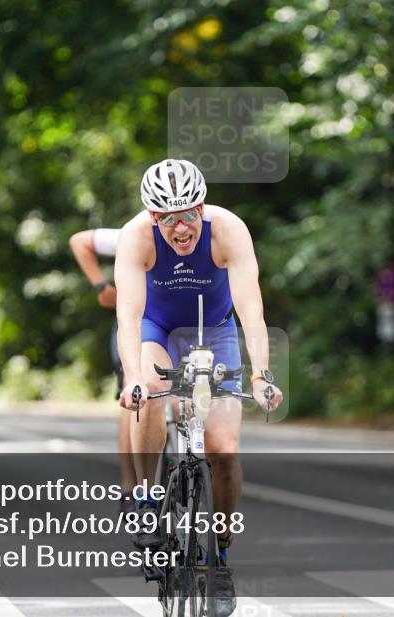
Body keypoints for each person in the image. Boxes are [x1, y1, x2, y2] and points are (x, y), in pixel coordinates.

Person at [115, 158, 283, 616]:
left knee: (223, 449)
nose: (180, 227)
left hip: (217, 332)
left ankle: (221, 555)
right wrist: (132, 375)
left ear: (202, 206)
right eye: (167, 218)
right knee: (150, 388)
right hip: (158, 329)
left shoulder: (228, 230)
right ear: (153, 217)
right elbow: (128, 315)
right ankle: (148, 501)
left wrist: (261, 375)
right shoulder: (136, 237)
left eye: (188, 213)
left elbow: (251, 311)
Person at [69, 226, 137, 513]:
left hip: (179, 325)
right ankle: (130, 485)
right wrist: (102, 288)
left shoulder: (191, 237)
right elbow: (79, 240)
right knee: (131, 393)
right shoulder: (136, 235)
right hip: (134, 322)